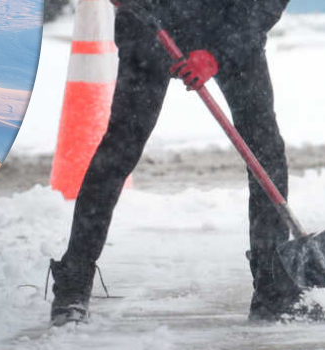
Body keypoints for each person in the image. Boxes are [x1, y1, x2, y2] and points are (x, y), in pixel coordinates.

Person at [48, 0, 297, 326]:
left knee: (264, 152)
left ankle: (272, 287)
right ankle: (73, 282)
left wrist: (218, 52)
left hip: (232, 26)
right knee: (121, 149)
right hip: (150, 23)